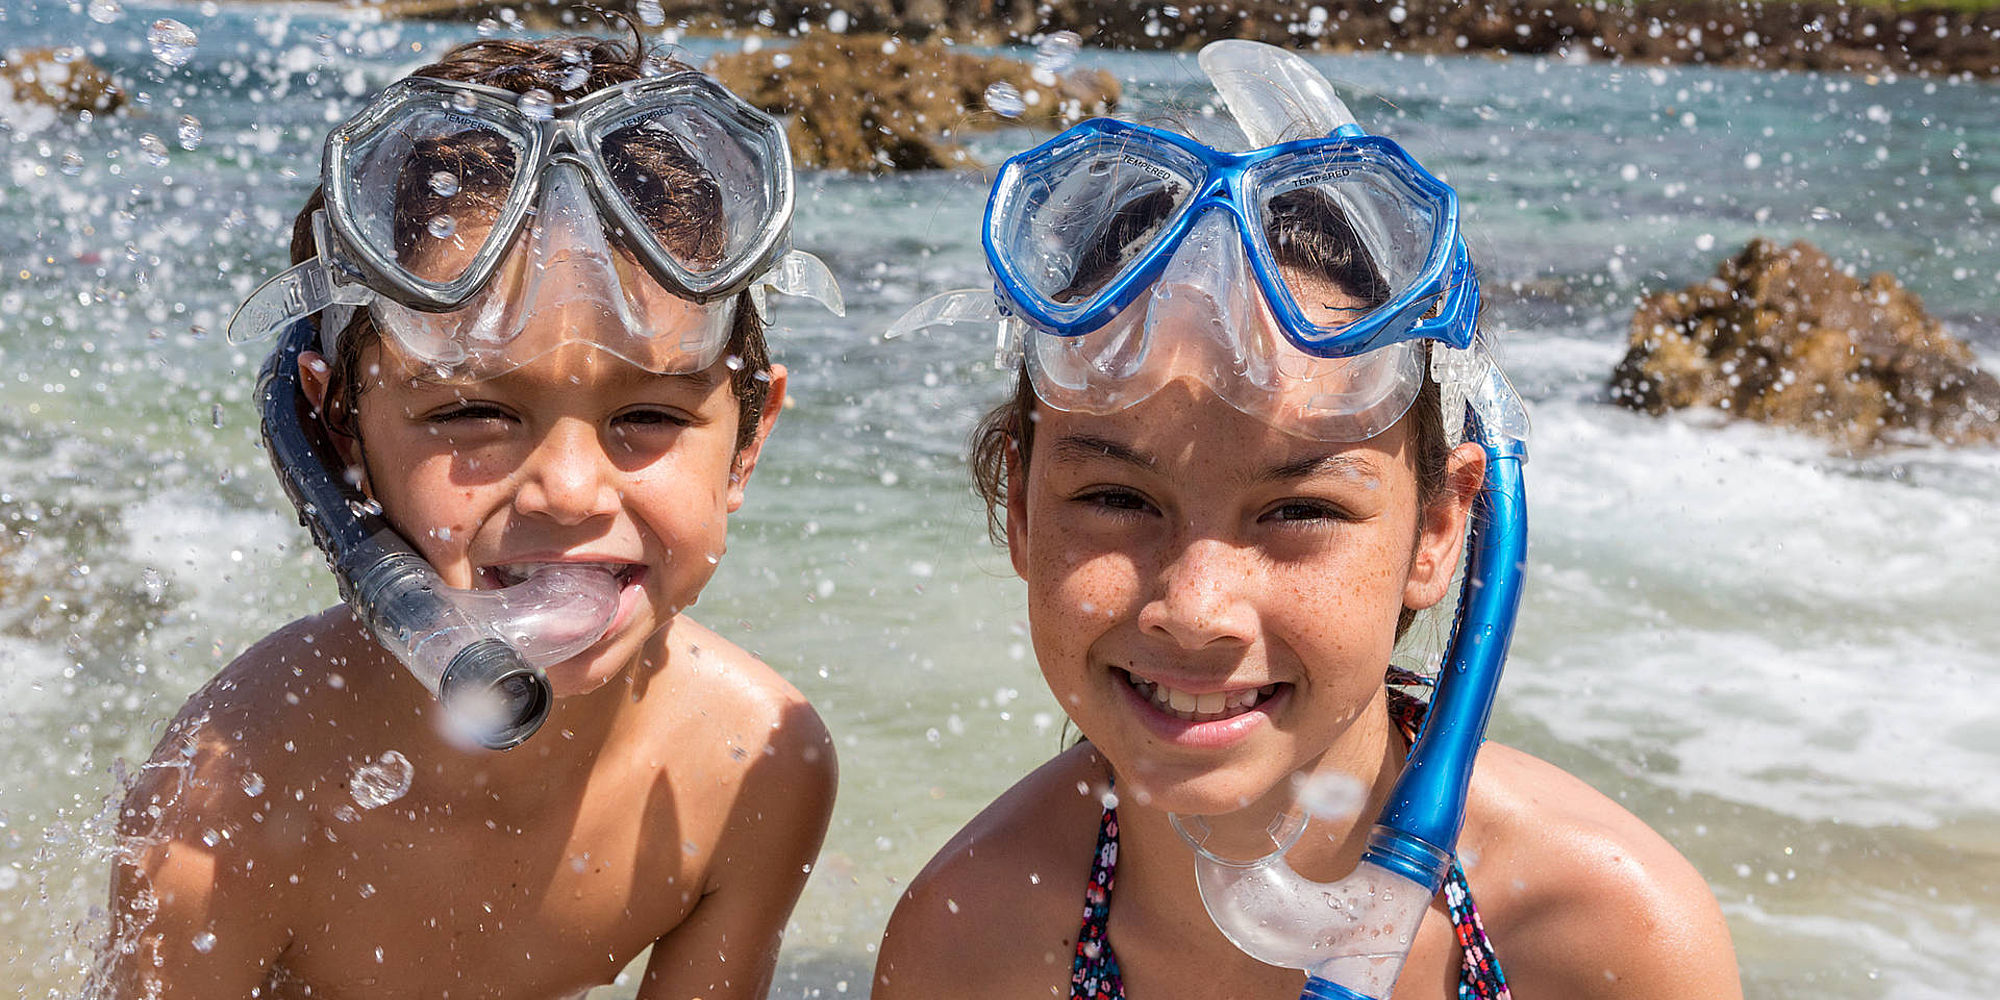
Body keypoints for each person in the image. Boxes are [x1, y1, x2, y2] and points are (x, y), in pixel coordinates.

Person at [873, 41, 1741, 1000]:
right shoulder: (974, 943)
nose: (1196, 608)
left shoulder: (1601, 938)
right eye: (1118, 499)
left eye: (1300, 510)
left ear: (1440, 530)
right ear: (1022, 512)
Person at [99, 34, 841, 999]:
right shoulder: (227, 797)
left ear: (746, 441)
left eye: (649, 415)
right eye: (470, 413)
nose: (569, 492)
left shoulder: (756, 768)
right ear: (338, 435)